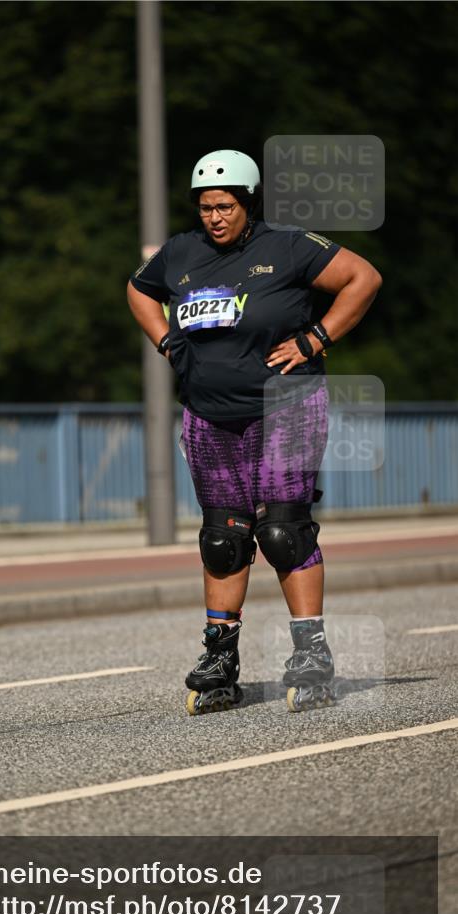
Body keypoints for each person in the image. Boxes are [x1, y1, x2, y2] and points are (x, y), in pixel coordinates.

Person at [127, 149, 382, 715]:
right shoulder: (180, 253)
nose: (214, 216)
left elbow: (364, 277)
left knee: (282, 532)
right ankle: (221, 660)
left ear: (249, 202)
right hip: (208, 413)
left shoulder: (288, 246)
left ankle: (311, 653)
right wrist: (166, 340)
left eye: (224, 206)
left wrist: (316, 338)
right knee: (224, 539)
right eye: (205, 207)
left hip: (287, 406)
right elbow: (139, 290)